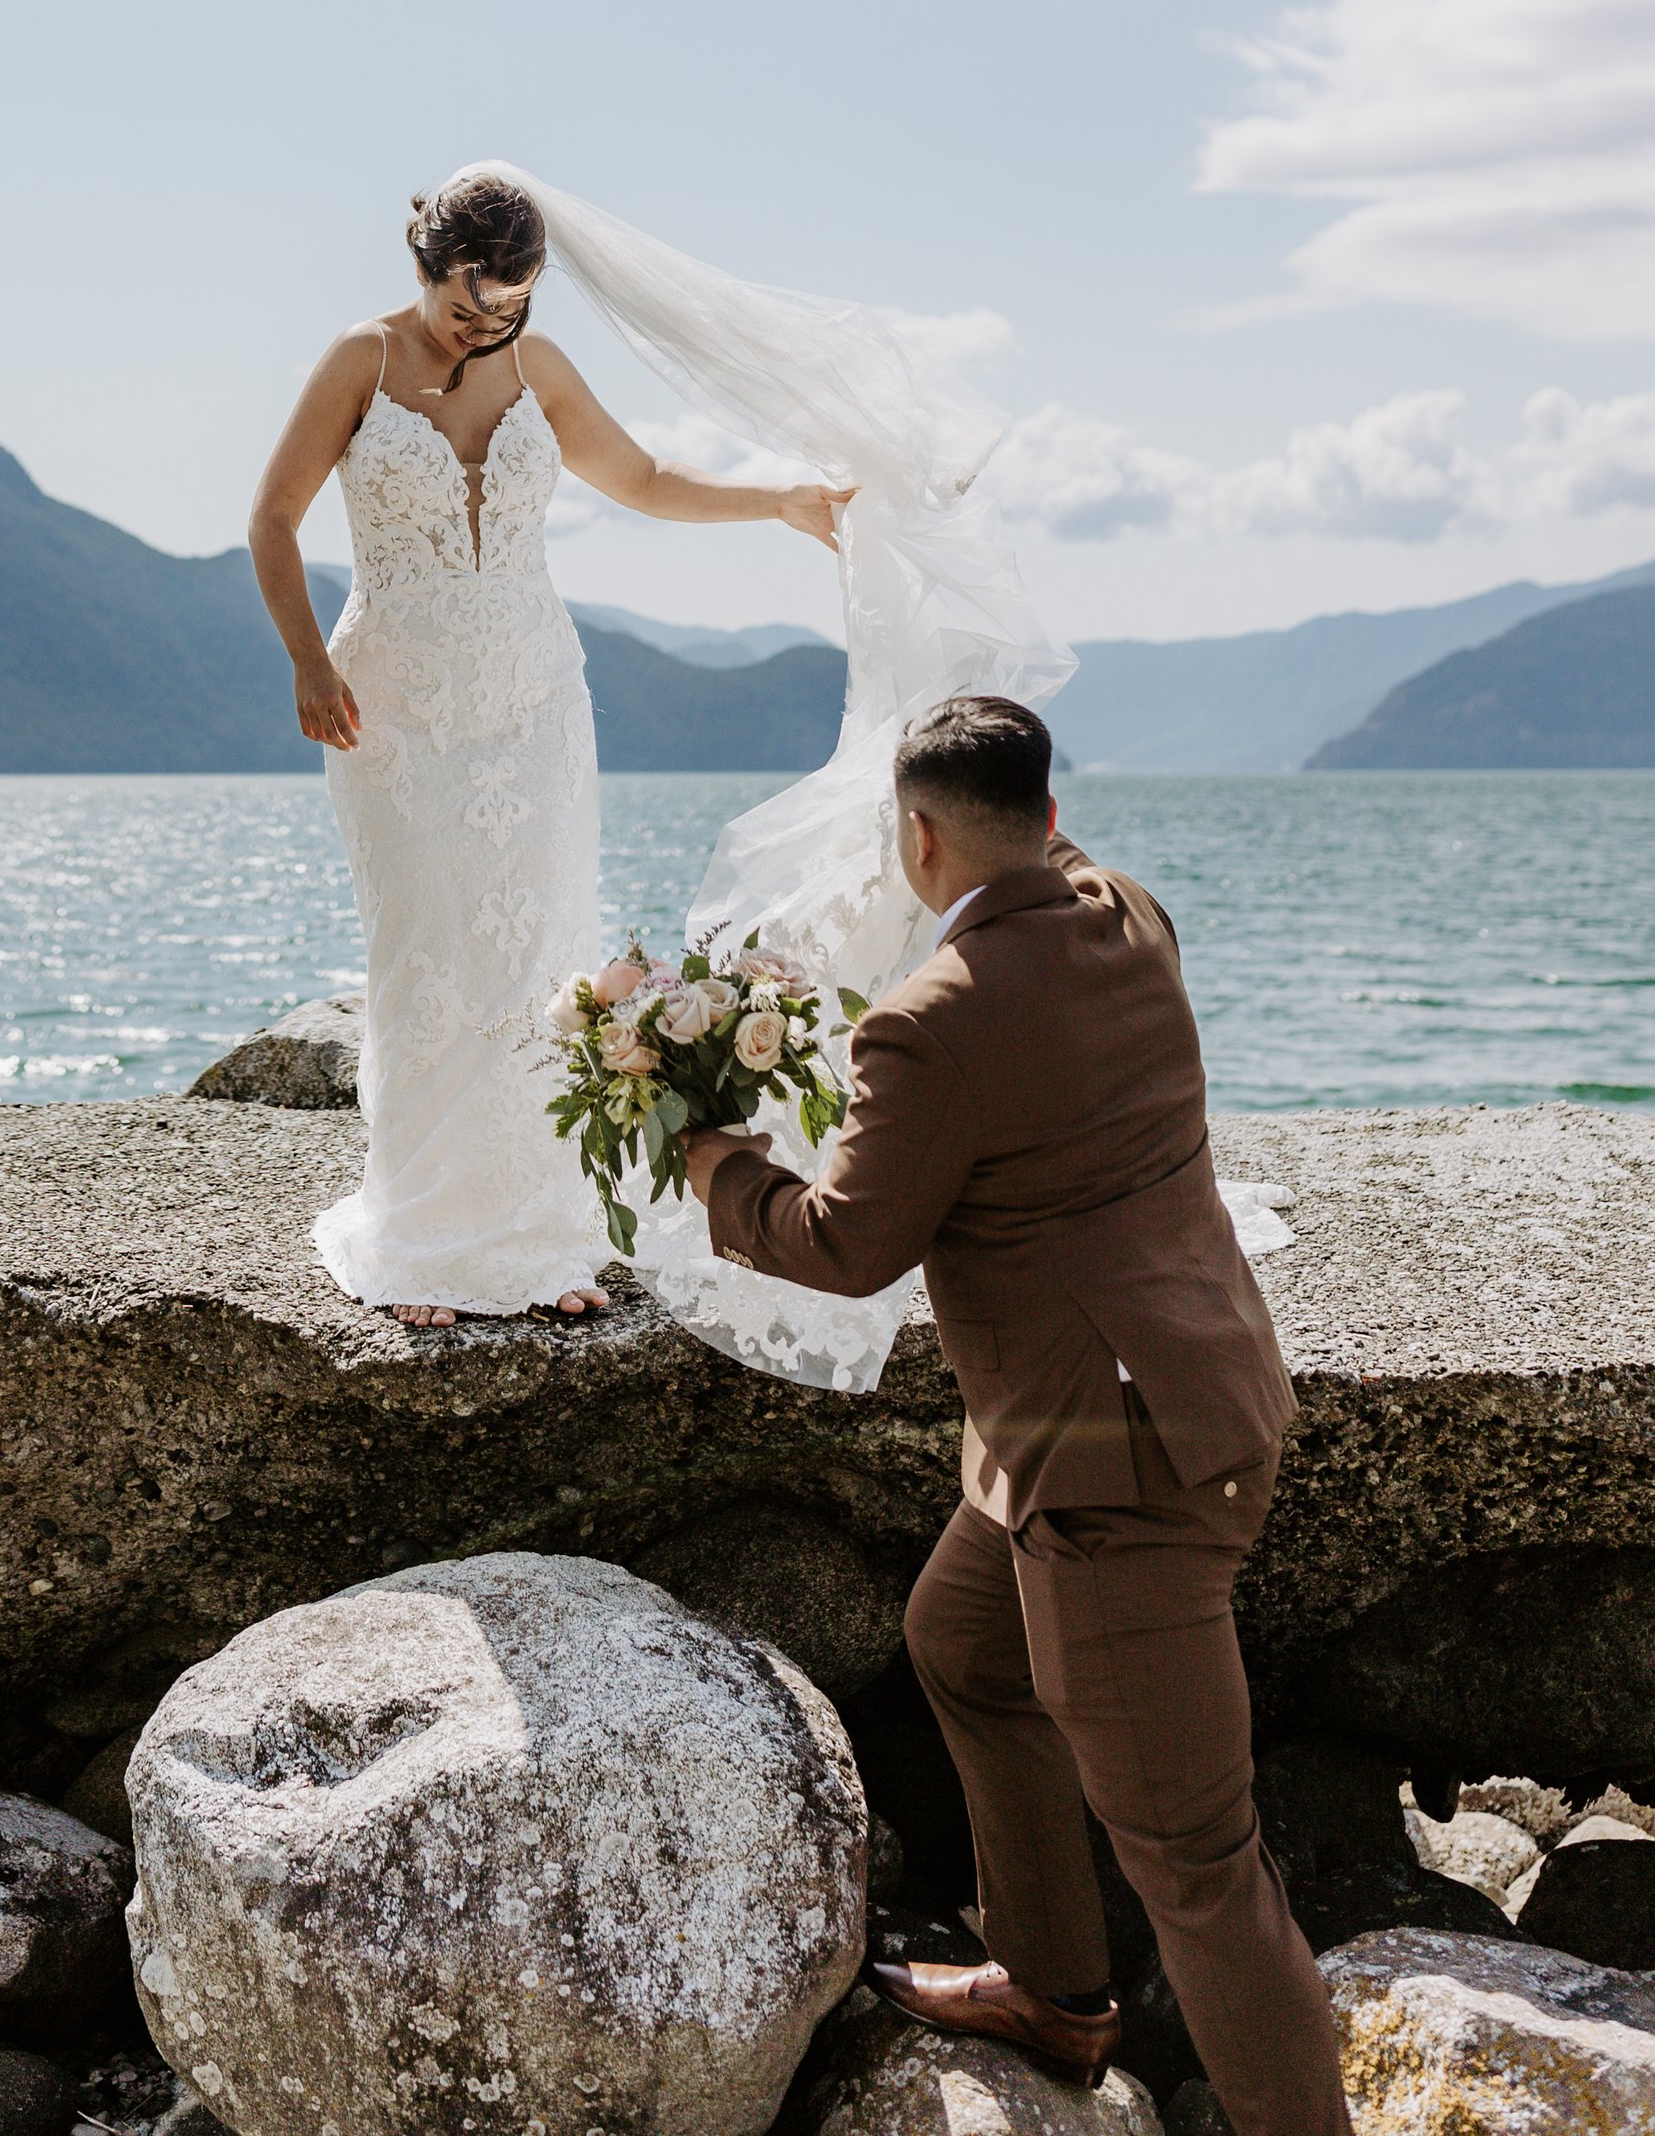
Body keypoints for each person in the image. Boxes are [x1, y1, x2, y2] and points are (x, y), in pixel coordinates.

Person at [681, 691, 1345, 2136]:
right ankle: (1052, 1984)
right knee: (963, 1641)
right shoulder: (1131, 913)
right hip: (1162, 1400)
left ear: (918, 838)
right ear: (1051, 815)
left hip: (1121, 1469)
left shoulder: (934, 1022)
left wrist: (715, 1159)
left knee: (1202, 1869)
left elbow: (849, 1243)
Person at [250, 167, 851, 1328]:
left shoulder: (538, 365)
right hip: (396, 707)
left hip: (533, 698)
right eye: (467, 307)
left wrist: (776, 499)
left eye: (510, 307)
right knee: (425, 955)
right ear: (423, 270)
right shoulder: (357, 362)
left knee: (538, 961)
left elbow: (642, 478)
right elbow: (272, 517)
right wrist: (305, 661)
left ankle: (537, 1236)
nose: (488, 328)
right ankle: (425, 1239)